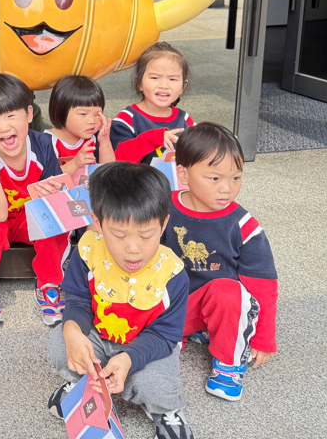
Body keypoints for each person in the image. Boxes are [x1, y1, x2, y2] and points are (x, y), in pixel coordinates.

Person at [45, 163, 193, 439]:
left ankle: (167, 411)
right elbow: (78, 301)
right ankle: (82, 386)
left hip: (148, 344)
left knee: (155, 385)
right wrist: (72, 332)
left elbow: (164, 336)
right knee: (60, 342)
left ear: (163, 225)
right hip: (99, 336)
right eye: (120, 235)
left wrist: (129, 359)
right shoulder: (88, 252)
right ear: (98, 223)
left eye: (146, 235)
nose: (133, 248)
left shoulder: (172, 273)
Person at [163, 122, 277, 402]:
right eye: (214, 178)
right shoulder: (161, 209)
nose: (227, 188)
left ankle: (228, 363)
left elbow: (263, 286)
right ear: (183, 174)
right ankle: (180, 333)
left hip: (216, 304)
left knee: (229, 291)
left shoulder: (244, 226)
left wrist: (263, 338)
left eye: (236, 178)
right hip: (170, 304)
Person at [0, 73, 67, 327]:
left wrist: (54, 194)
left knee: (55, 222)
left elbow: (53, 197)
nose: (3, 127)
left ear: (28, 114)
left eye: (10, 115)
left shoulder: (43, 145)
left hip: (24, 212)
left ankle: (50, 284)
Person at [110, 42, 194, 164]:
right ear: (139, 83)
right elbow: (116, 159)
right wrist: (152, 139)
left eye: (172, 79)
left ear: (183, 87)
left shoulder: (185, 120)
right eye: (155, 78)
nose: (164, 85)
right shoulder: (126, 120)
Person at [44, 75, 115, 178]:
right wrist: (75, 164)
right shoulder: (46, 142)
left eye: (97, 114)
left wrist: (105, 142)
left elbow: (109, 172)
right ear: (60, 111)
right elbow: (46, 180)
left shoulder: (94, 139)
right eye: (83, 114)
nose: (92, 121)